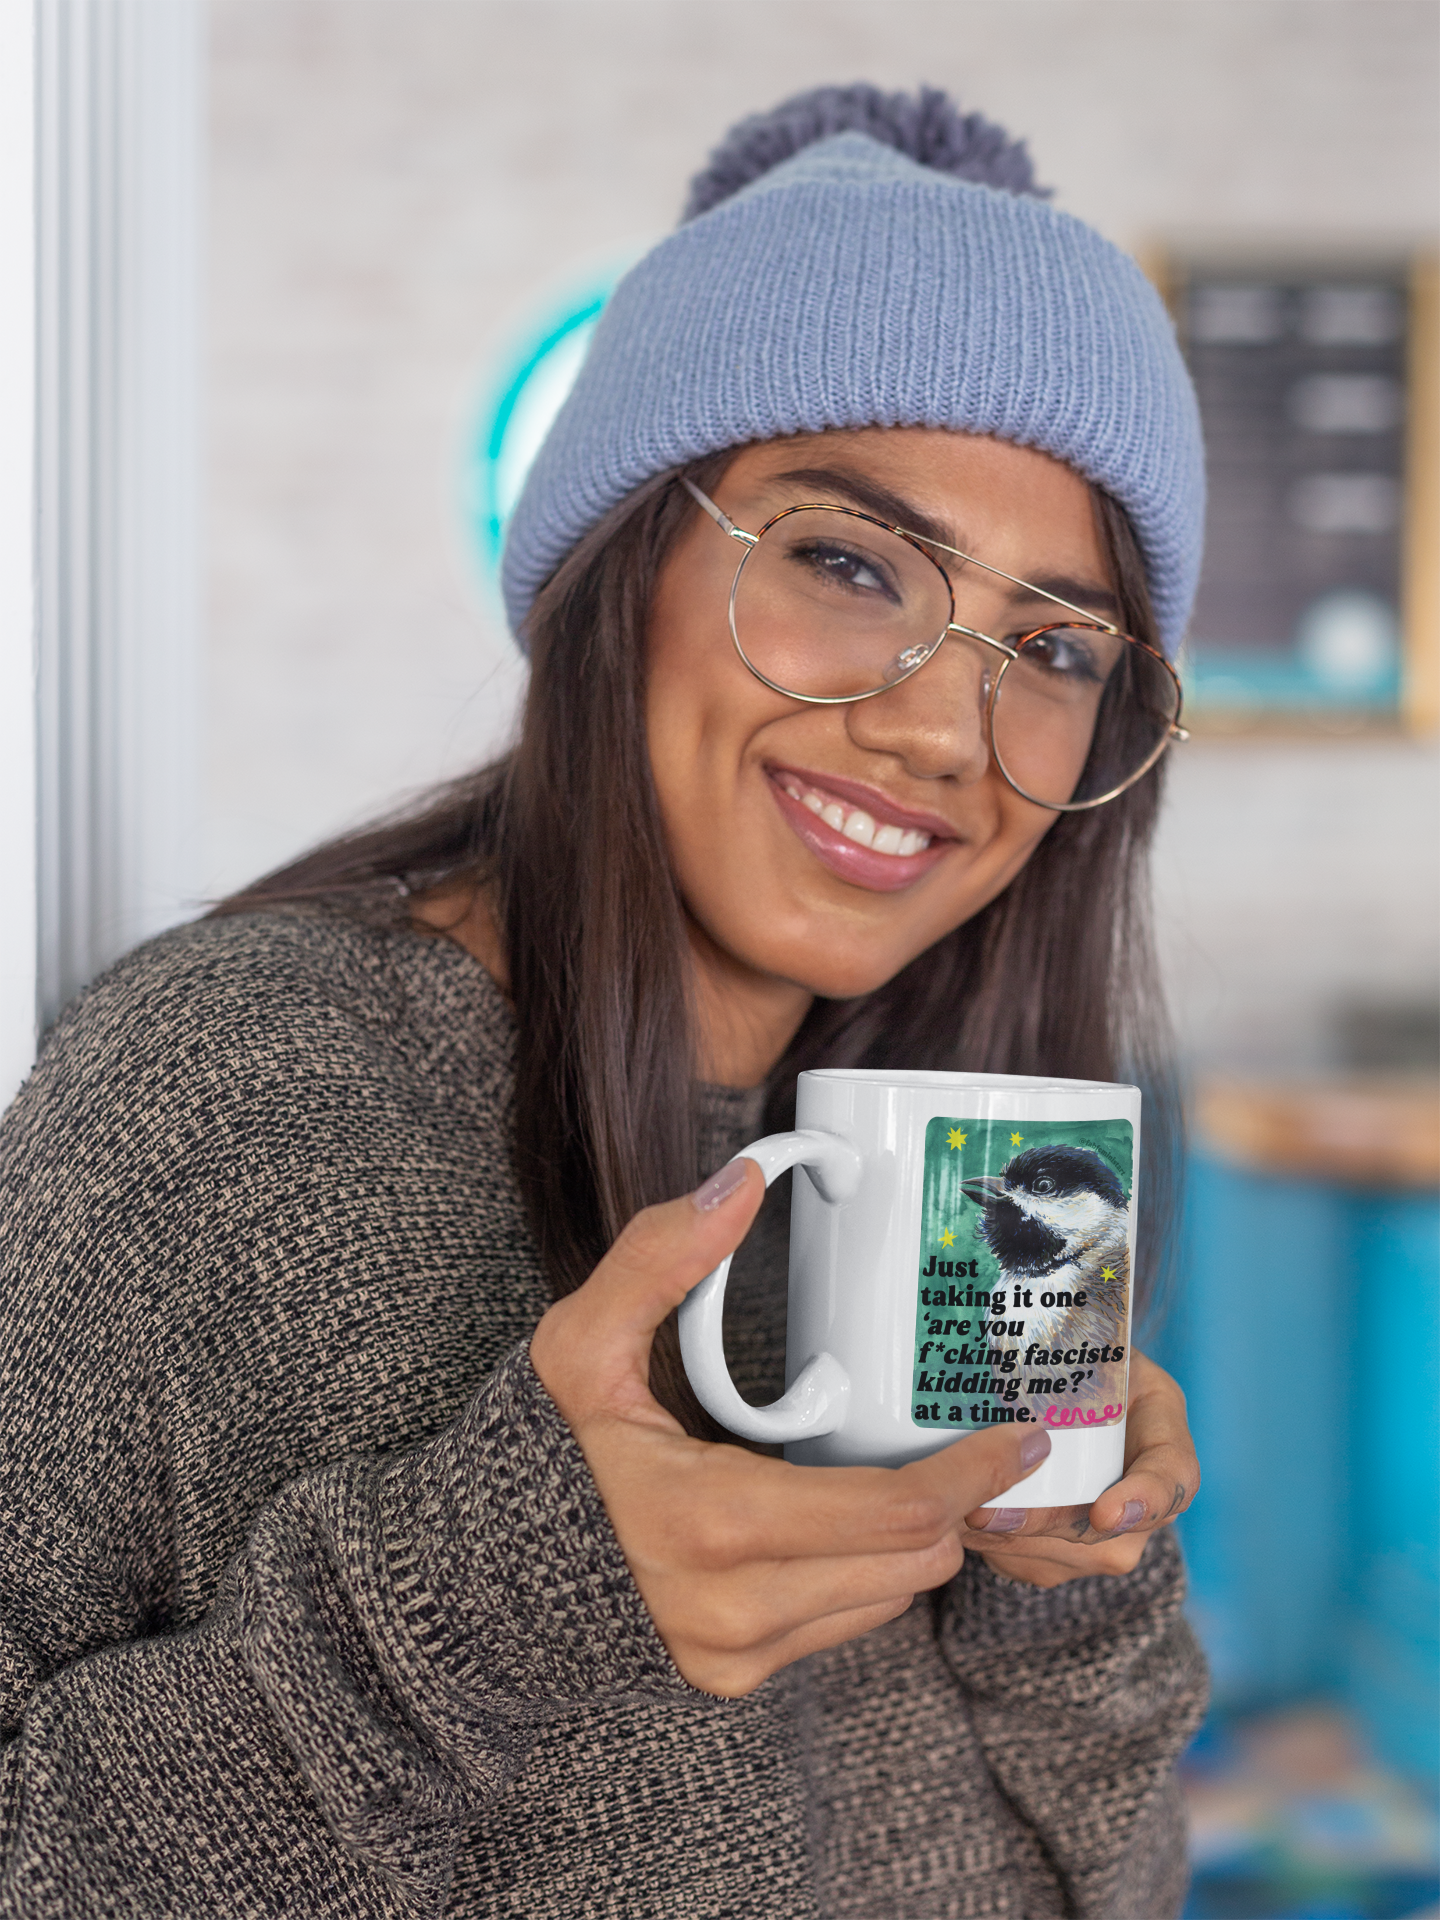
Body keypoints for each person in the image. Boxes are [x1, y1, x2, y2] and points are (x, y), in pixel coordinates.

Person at [0, 84, 1208, 1918]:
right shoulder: (223, 1099)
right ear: (620, 567)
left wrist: (1078, 1563)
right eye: (847, 562)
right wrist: (483, 1600)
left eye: (1051, 649)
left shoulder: (969, 1149)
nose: (945, 728)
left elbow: (1121, 1877)